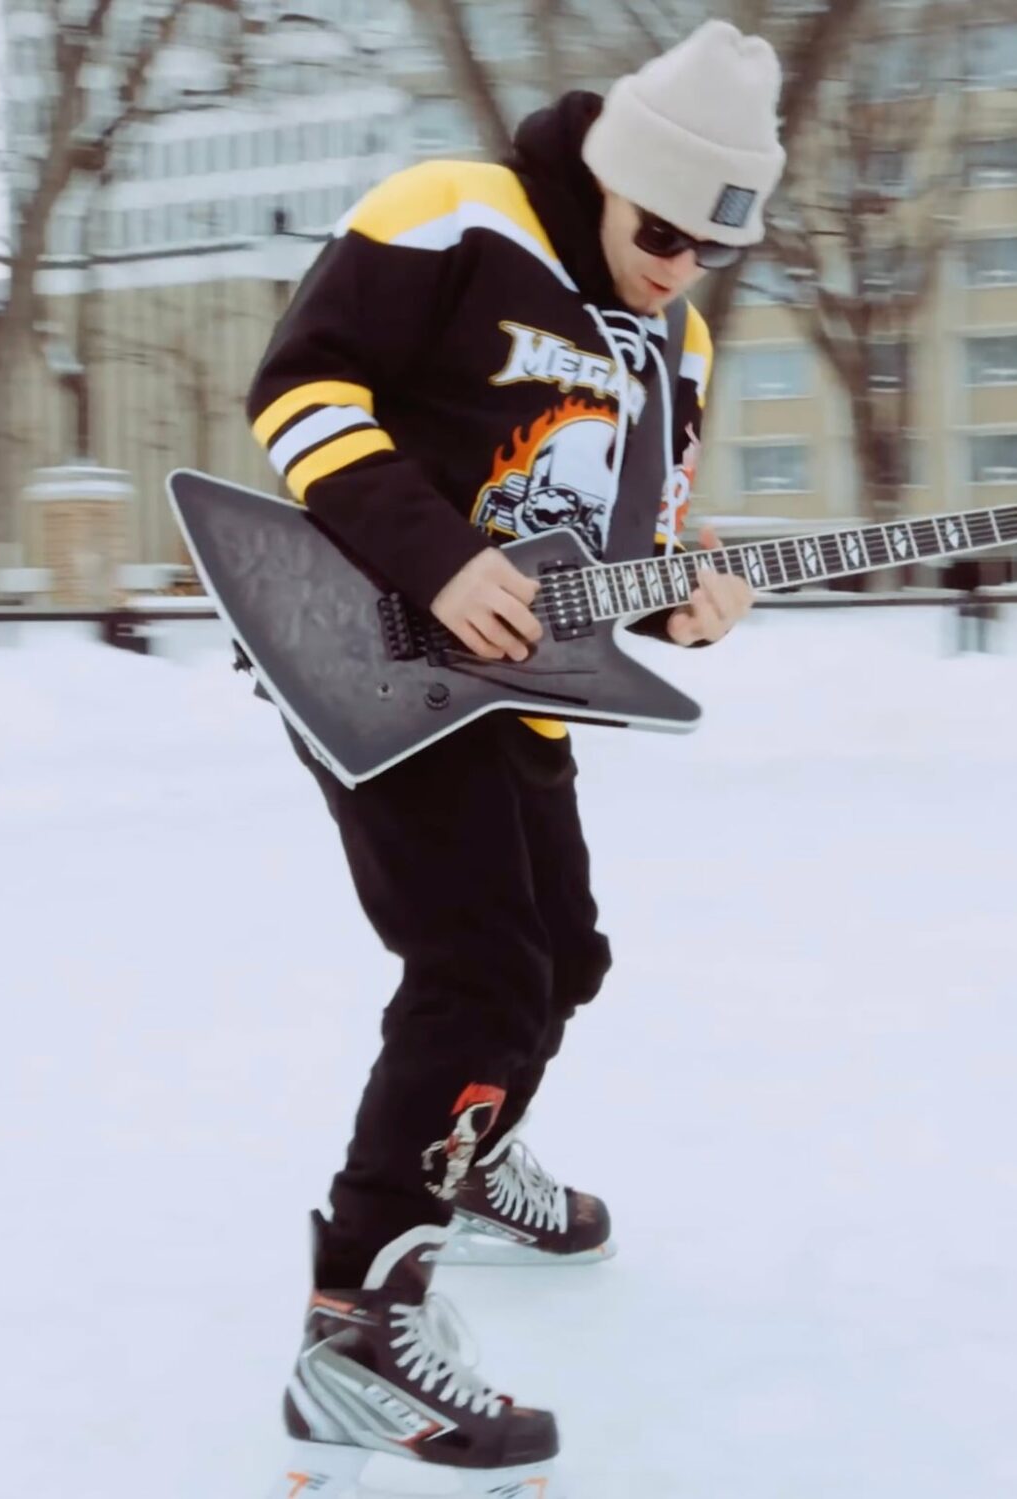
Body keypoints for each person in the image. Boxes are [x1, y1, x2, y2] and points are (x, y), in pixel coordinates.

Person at [243, 20, 782, 1484]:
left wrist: (690, 601)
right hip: (373, 659)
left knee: (564, 960)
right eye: (659, 228)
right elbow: (298, 392)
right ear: (611, 174)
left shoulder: (681, 338)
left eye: (710, 248)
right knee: (480, 973)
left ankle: (466, 1164)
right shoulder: (452, 212)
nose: (676, 264)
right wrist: (431, 561)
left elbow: (626, 553)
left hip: (520, 694)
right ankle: (353, 1334)